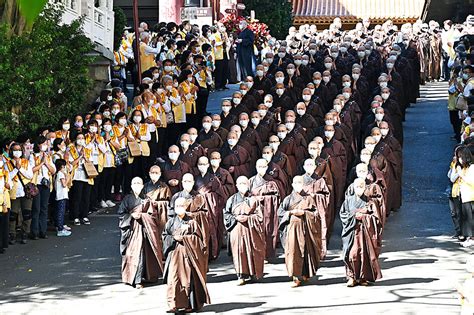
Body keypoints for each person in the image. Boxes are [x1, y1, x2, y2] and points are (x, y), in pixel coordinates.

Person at [163, 197, 211, 312]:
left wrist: (185, 238)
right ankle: (173, 304)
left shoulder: (192, 222)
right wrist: (174, 238)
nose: (179, 208)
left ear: (185, 207)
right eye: (177, 206)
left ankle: (188, 305)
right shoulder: (170, 222)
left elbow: (198, 239)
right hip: (174, 254)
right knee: (173, 279)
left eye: (181, 206)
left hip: (188, 255)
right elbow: (165, 236)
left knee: (188, 280)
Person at [118, 177, 164, 288]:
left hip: (145, 230)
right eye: (135, 183)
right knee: (134, 254)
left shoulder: (147, 199)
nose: (137, 185)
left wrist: (143, 216)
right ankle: (135, 279)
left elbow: (153, 215)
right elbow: (121, 214)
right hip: (133, 230)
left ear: (143, 185)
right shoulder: (127, 199)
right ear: (131, 185)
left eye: (139, 183)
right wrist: (131, 216)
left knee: (144, 254)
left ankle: (146, 277)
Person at [278, 176, 321, 288]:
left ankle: (306, 273)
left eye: (300, 182)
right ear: (292, 184)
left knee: (306, 251)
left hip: (306, 229)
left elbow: (316, 214)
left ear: (303, 185)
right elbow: (280, 212)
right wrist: (291, 212)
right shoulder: (288, 199)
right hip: (292, 230)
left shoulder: (309, 199)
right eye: (295, 182)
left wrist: (304, 213)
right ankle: (295, 276)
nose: (298, 184)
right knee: (293, 252)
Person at [340, 178, 383, 287]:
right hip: (351, 231)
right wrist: (354, 216)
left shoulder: (370, 202)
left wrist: (364, 217)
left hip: (364, 233)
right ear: (353, 187)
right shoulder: (348, 200)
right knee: (351, 254)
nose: (359, 189)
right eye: (357, 187)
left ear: (364, 188)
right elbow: (343, 214)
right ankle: (351, 276)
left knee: (364, 255)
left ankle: (363, 277)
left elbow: (376, 218)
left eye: (361, 186)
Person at [224, 176, 265, 285]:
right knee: (239, 252)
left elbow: (259, 216)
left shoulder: (254, 199)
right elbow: (226, 215)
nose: (243, 186)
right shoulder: (231, 199)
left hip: (251, 229)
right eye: (240, 183)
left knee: (252, 250)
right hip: (237, 229)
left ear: (248, 185)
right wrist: (235, 218)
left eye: (245, 183)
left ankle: (253, 273)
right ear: (236, 186)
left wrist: (249, 218)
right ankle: (241, 276)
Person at [456, 148, 474, 247]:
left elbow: (471, 181)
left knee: (471, 218)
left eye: (461, 157)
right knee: (466, 218)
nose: (459, 160)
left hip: (471, 196)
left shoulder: (472, 168)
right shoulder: (464, 168)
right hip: (464, 196)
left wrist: (461, 175)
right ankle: (469, 237)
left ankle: (472, 238)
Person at [54, 159, 71, 237]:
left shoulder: (57, 173)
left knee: (59, 211)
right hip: (61, 195)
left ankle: (59, 226)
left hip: (60, 195)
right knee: (61, 212)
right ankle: (60, 229)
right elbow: (64, 184)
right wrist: (67, 177)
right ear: (62, 166)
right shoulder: (60, 174)